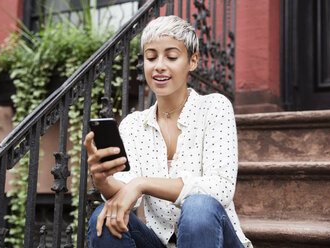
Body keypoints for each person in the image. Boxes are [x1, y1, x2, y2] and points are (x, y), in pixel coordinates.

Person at [84, 15, 252, 248]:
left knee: (198, 207)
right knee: (105, 216)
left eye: (171, 56)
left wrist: (142, 183)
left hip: (217, 238)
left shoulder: (214, 107)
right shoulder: (133, 125)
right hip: (160, 242)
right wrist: (102, 180)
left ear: (192, 61)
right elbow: (127, 197)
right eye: (151, 57)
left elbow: (220, 188)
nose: (159, 65)